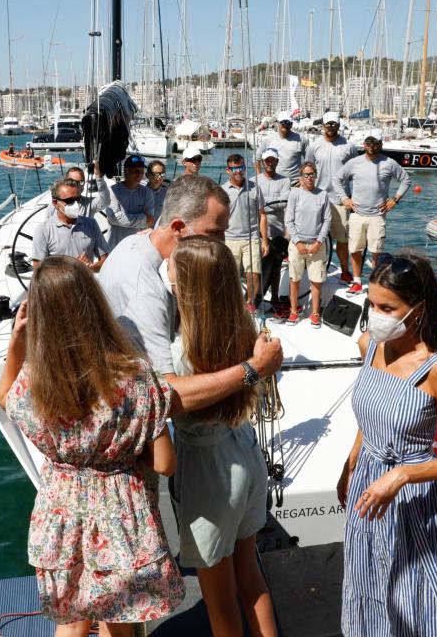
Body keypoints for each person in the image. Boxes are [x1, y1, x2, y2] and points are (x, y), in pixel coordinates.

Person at [0, 257, 185, 637]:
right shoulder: (134, 376)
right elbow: (165, 463)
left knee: (72, 619)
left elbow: (5, 396)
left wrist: (17, 342)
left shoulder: (34, 382)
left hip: (61, 512)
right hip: (122, 516)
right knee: (122, 622)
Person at [336, 251, 437, 636]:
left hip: (414, 496)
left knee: (410, 593)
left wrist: (400, 476)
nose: (376, 314)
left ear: (418, 309)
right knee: (365, 580)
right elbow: (369, 418)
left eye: (387, 307)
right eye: (372, 304)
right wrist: (350, 466)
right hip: (367, 486)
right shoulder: (369, 346)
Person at [98, 173, 283, 415]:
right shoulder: (145, 290)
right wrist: (255, 368)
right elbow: (165, 398)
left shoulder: (139, 243)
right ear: (177, 228)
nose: (222, 242)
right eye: (215, 232)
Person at [167, 236, 278, 637]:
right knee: (250, 573)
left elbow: (171, 398)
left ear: (184, 283)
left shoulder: (183, 350)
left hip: (207, 470)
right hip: (245, 451)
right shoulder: (243, 330)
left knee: (218, 597)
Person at [332, 128, 411, 295]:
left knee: (377, 251)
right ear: (364, 144)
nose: (371, 145)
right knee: (355, 249)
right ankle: (357, 281)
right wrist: (345, 199)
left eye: (375, 143)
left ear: (380, 144)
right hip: (357, 214)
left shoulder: (389, 163)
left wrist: (395, 199)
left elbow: (405, 180)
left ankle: (374, 283)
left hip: (377, 215)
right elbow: (337, 179)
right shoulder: (354, 162)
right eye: (368, 142)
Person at [305, 110, 359, 283]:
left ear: (338, 125)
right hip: (318, 198)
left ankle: (344, 270)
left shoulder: (349, 146)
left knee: (342, 239)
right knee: (316, 236)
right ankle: (315, 269)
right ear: (323, 126)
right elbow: (307, 171)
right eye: (328, 124)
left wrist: (353, 198)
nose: (331, 127)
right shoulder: (314, 146)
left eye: (334, 124)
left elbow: (356, 173)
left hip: (341, 200)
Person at [284, 161, 331, 327]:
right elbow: (289, 220)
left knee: (316, 280)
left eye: (312, 174)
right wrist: (296, 242)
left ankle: (315, 313)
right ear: (300, 177)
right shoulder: (294, 194)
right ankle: (293, 311)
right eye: (306, 175)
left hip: (317, 245)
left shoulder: (323, 194)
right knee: (294, 279)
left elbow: (327, 220)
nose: (310, 178)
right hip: (297, 245)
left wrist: (319, 241)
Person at [222, 153, 268, 313]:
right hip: (229, 239)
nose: (238, 171)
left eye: (241, 167)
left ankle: (249, 303)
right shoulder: (222, 191)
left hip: (252, 238)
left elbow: (262, 214)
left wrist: (264, 241)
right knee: (230, 277)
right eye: (234, 169)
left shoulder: (255, 188)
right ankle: (233, 304)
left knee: (253, 274)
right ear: (228, 170)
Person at [32, 179, 109, 271]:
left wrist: (91, 267)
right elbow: (38, 269)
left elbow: (105, 259)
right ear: (55, 203)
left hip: (86, 284)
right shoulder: (43, 230)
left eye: (77, 199)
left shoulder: (91, 223)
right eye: (69, 201)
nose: (75, 204)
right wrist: (74, 268)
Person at [253, 147, 292, 310]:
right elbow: (271, 204)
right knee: (258, 267)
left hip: (277, 233)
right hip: (258, 233)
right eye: (267, 160)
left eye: (272, 160)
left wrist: (262, 203)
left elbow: (283, 202)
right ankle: (255, 297)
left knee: (275, 265)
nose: (269, 163)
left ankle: (271, 297)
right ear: (262, 162)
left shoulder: (285, 180)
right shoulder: (254, 180)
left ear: (277, 162)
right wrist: (270, 203)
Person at [105, 154, 155, 250]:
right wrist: (143, 218)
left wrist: (124, 217)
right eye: (136, 171)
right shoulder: (112, 191)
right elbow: (114, 218)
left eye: (141, 171)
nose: (140, 174)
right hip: (116, 245)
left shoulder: (147, 192)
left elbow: (151, 220)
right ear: (126, 171)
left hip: (138, 245)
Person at [255, 111, 309, 185]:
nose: (285, 125)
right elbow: (256, 158)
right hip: (274, 184)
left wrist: (303, 178)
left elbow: (309, 161)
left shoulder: (301, 139)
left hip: (295, 185)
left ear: (292, 124)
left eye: (288, 123)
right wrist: (259, 177)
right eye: (283, 122)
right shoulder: (268, 139)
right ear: (278, 123)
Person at [46, 163, 110, 219]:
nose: (78, 185)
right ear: (66, 182)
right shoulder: (54, 205)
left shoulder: (88, 203)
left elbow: (105, 201)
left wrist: (99, 177)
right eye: (73, 182)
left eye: (81, 182)